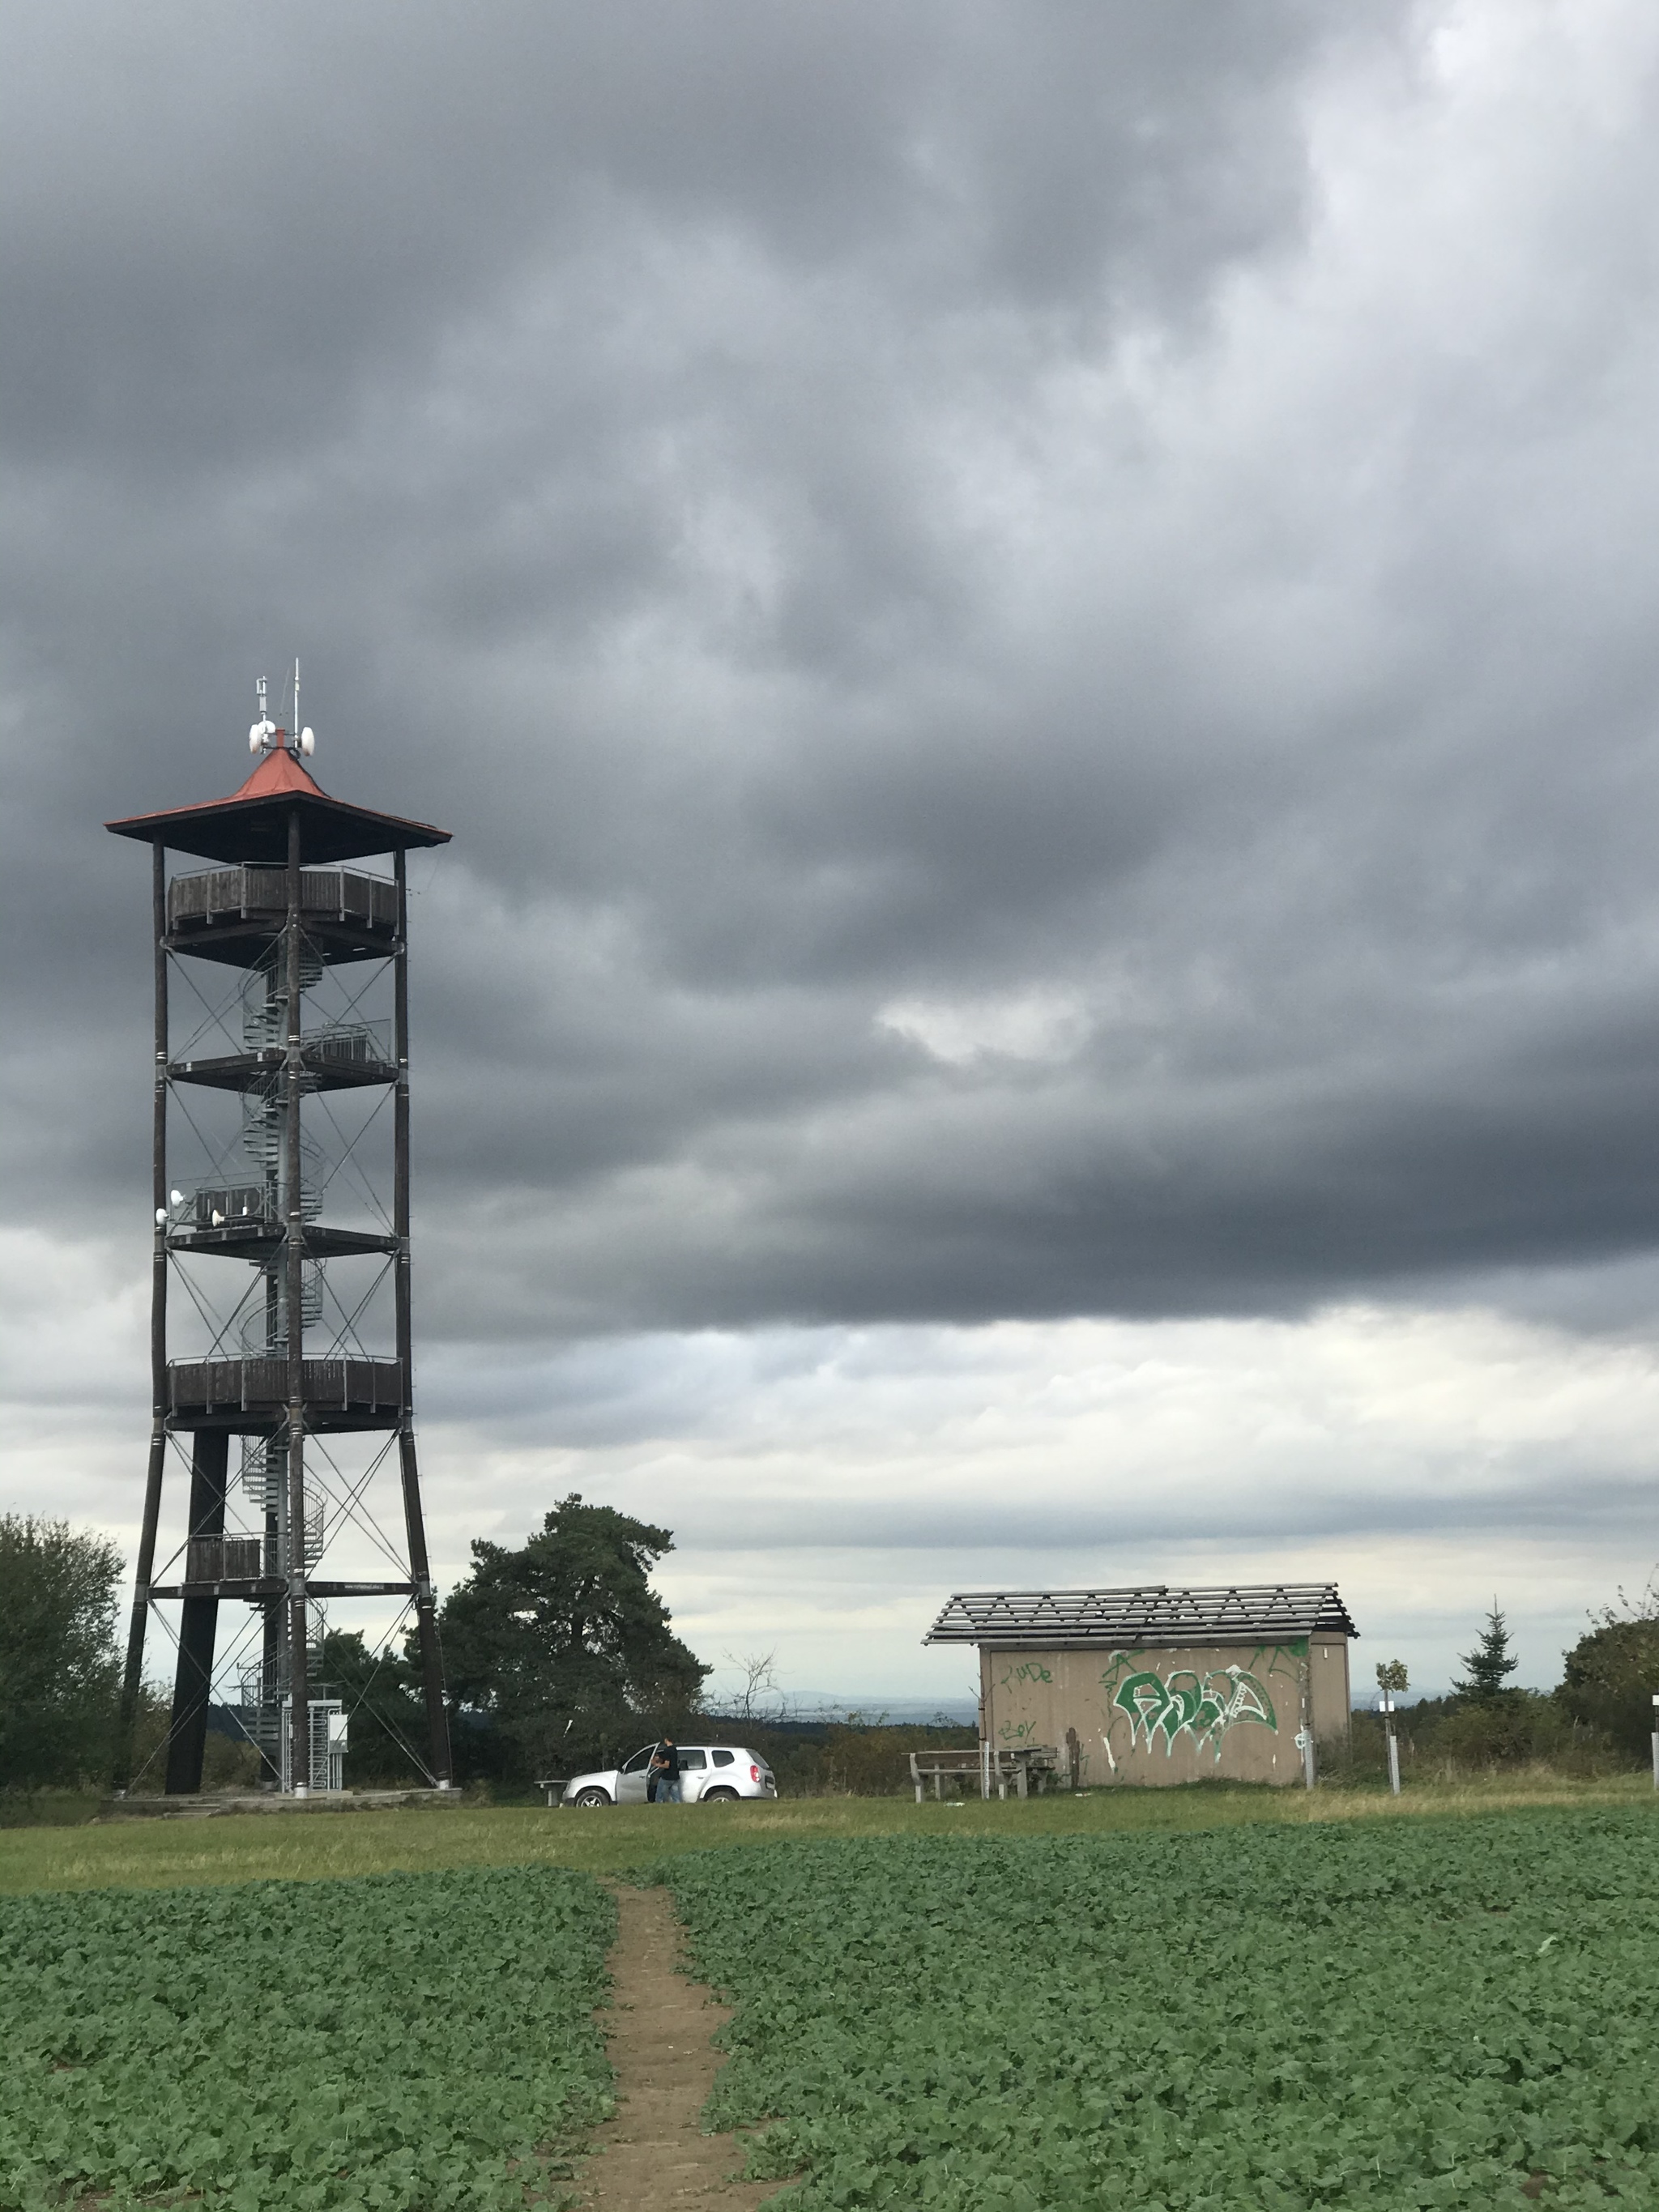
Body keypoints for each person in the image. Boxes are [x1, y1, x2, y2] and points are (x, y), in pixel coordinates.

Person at [647, 1731, 680, 1804]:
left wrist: (656, 1764)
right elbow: (672, 1761)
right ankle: (678, 1807)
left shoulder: (667, 1750)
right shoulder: (675, 1750)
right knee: (676, 1796)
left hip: (667, 1777)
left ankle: (659, 1806)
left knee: (659, 1795)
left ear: (666, 1740)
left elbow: (667, 1765)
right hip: (675, 1776)